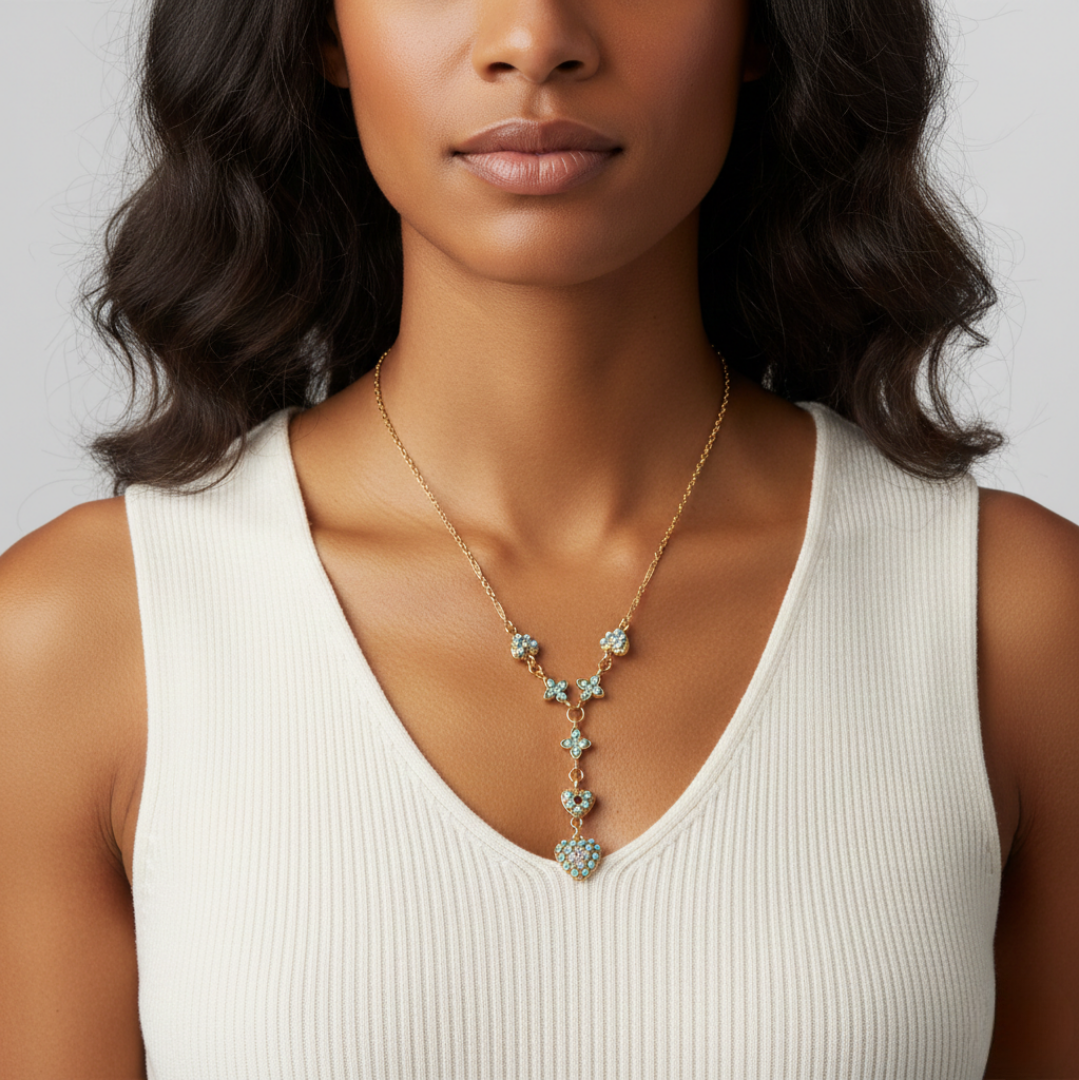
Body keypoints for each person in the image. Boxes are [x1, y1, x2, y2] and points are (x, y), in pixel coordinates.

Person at [1, 0, 1076, 1074]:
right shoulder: (83, 640)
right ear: (320, 32)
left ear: (760, 27)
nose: (533, 37)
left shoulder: (1013, 623)